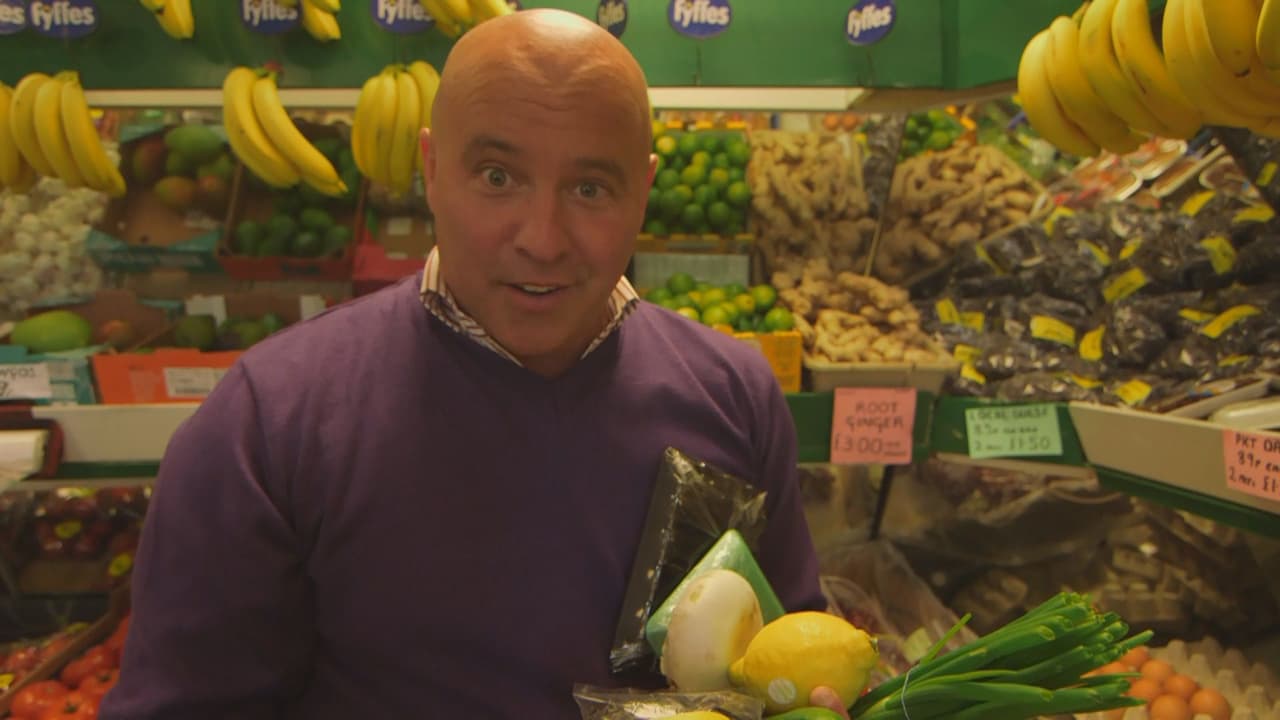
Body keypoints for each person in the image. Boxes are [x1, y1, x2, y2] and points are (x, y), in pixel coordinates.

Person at [101, 9, 849, 719]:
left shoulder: (733, 396)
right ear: (431, 169)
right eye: (497, 177)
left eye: (591, 189)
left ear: (644, 192)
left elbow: (782, 666)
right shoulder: (268, 423)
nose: (542, 239)